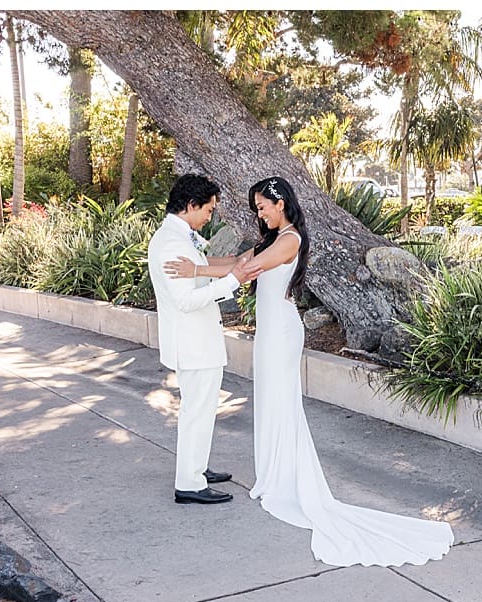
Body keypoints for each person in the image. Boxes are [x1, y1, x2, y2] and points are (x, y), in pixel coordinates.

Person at [166, 176, 453, 567]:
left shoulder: (290, 240)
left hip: (282, 333)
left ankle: (286, 479)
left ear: (280, 203)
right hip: (268, 332)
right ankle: (272, 474)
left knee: (281, 401)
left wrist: (194, 272)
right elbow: (234, 262)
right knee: (268, 400)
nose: (258, 212)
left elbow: (246, 271)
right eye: (256, 208)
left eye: (262, 206)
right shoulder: (272, 238)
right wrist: (195, 266)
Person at [148, 173, 258, 505]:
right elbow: (186, 300)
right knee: (197, 411)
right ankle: (190, 484)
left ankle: (197, 468)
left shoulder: (179, 236)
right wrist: (233, 281)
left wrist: (238, 262)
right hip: (193, 345)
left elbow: (202, 265)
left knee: (202, 409)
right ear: (191, 205)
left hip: (197, 342)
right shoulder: (170, 243)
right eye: (208, 210)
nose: (210, 217)